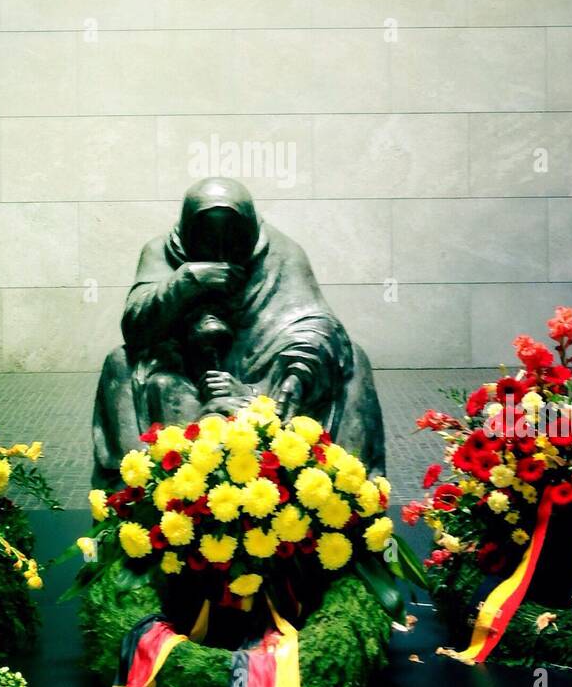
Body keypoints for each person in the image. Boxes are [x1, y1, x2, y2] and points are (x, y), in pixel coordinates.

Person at [91, 177, 386, 484]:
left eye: (231, 237)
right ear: (189, 229)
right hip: (186, 374)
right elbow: (136, 329)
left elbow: (316, 324)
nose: (220, 250)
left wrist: (292, 376)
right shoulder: (160, 252)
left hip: (263, 378)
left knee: (353, 361)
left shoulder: (283, 253)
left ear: (249, 230)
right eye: (207, 237)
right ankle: (140, 489)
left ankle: (349, 490)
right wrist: (187, 281)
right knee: (119, 363)